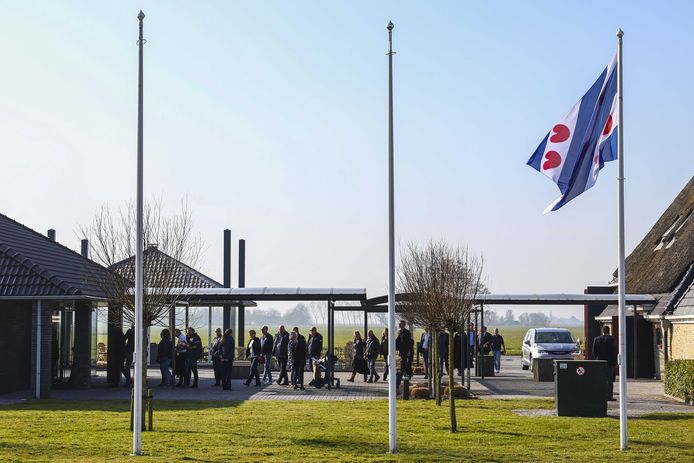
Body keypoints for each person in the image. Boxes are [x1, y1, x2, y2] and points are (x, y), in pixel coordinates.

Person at [592, 325, 617, 401]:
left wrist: (597, 359)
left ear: (602, 331)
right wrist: (615, 362)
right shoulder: (612, 339)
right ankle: (609, 396)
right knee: (609, 380)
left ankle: (600, 395)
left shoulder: (597, 339)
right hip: (610, 363)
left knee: (600, 379)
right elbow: (614, 351)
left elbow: (594, 352)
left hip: (600, 363)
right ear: (609, 331)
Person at [395, 320, 412, 386]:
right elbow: (398, 340)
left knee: (404, 362)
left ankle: (405, 374)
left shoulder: (407, 332)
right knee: (403, 362)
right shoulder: (400, 332)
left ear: (403, 325)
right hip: (402, 350)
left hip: (406, 350)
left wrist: (409, 351)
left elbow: (409, 342)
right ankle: (405, 373)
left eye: (400, 323)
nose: (399, 324)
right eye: (399, 323)